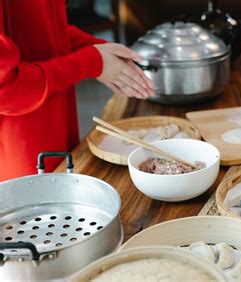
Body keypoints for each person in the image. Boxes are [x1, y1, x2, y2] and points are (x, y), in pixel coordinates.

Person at [0, 0, 155, 181]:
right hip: (20, 152)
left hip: (57, 130)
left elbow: (41, 28)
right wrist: (90, 61)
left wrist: (96, 49)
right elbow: (7, 90)